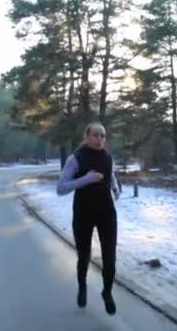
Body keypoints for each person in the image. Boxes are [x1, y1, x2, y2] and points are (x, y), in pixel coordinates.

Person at [56, 122, 121, 315]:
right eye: (95, 135)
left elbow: (110, 176)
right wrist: (86, 179)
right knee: (84, 255)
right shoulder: (76, 159)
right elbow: (61, 188)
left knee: (110, 256)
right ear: (86, 137)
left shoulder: (108, 157)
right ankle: (82, 287)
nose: (100, 139)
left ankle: (107, 292)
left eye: (103, 136)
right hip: (84, 213)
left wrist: (115, 188)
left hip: (107, 213)